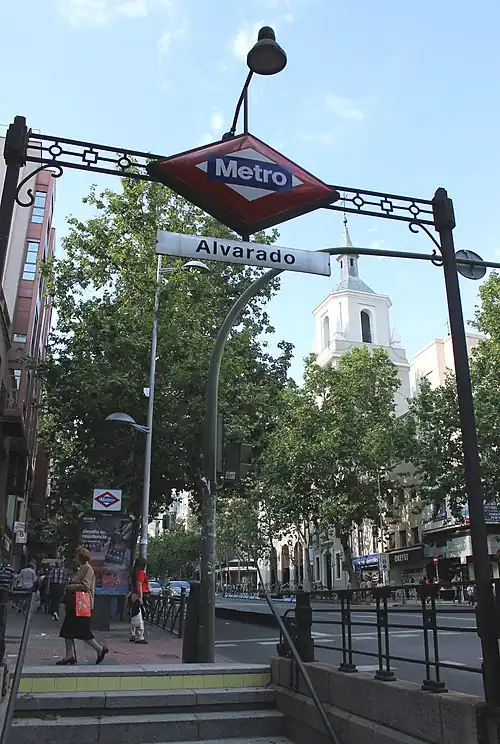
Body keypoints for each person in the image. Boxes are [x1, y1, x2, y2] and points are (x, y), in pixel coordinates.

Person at [57, 547, 108, 666]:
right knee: (67, 630)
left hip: (81, 605)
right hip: (74, 605)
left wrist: (70, 587)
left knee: (84, 632)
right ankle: (69, 655)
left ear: (80, 556)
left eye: (75, 556)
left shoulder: (88, 568)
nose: (74, 558)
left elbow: (85, 586)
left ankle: (99, 649)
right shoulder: (80, 569)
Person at [129, 557, 149, 644]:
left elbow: (133, 584)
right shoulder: (141, 572)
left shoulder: (134, 572)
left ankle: (132, 634)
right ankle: (139, 636)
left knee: (135, 615)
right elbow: (139, 584)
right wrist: (140, 597)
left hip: (134, 594)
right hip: (139, 595)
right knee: (139, 616)